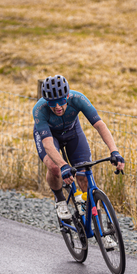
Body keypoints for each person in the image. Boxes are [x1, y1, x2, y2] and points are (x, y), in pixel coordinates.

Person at [33, 74, 125, 222]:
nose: (57, 107)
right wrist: (63, 166)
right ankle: (60, 200)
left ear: (68, 96)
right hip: (50, 136)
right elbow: (48, 144)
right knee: (54, 167)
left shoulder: (78, 99)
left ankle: (100, 227)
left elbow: (100, 125)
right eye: (52, 103)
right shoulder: (39, 109)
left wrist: (114, 151)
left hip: (72, 133)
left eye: (61, 101)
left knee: (84, 174)